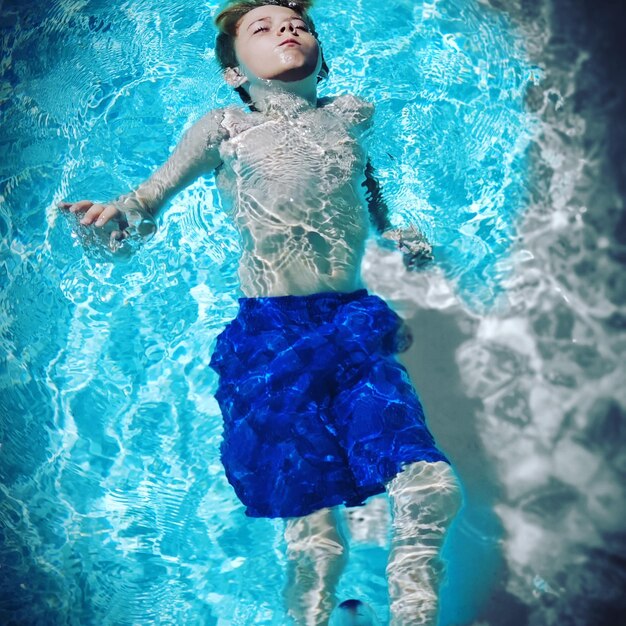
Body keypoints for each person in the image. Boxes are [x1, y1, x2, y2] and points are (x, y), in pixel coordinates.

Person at [58, 1, 462, 624]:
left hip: (350, 320)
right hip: (271, 335)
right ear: (234, 72)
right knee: (317, 541)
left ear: (321, 57)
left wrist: (393, 229)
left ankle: (416, 616)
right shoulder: (225, 127)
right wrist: (116, 218)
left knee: (432, 488)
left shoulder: (350, 115)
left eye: (299, 24)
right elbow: (149, 199)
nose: (287, 31)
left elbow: (366, 183)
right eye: (263, 28)